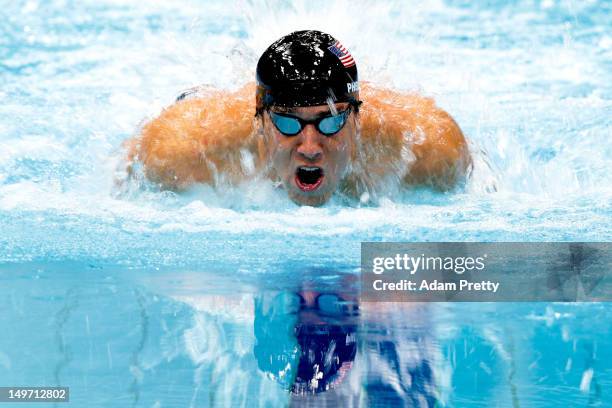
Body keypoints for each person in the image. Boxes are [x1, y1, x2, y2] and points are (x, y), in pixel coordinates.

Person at [124, 30, 471, 206]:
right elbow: (124, 178)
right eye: (288, 124)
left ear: (357, 119)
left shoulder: (428, 149)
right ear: (259, 123)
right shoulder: (184, 153)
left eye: (330, 121)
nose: (309, 147)